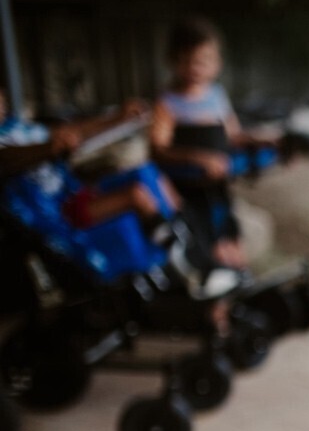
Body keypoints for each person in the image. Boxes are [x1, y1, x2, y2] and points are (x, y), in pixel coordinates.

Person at [150, 16, 273, 269]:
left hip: (218, 191)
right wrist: (198, 157)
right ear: (173, 60)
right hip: (187, 194)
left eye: (203, 61)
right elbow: (158, 150)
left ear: (217, 63)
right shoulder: (168, 102)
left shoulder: (217, 96)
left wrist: (263, 142)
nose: (196, 68)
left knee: (233, 241)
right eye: (188, 61)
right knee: (207, 251)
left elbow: (233, 135)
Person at [0, 93, 176, 232]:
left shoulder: (17, 127)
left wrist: (118, 118)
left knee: (146, 172)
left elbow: (68, 132)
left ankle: (179, 232)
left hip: (74, 193)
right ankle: (172, 248)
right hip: (57, 215)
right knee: (135, 195)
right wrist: (49, 148)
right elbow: (6, 159)